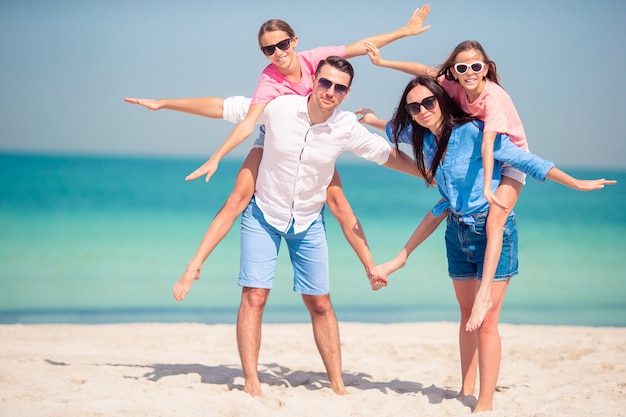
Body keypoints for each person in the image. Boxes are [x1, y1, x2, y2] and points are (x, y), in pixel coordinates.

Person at [124, 5, 432, 302]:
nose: (278, 53)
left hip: (318, 138)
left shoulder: (317, 60)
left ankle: (371, 270)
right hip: (273, 135)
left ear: (294, 41)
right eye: (268, 49)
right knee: (237, 198)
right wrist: (173, 113)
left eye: (282, 44)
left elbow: (362, 46)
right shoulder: (269, 81)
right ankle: (194, 266)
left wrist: (405, 31)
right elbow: (231, 113)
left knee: (338, 202)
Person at [367, 75, 615, 412]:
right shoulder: (419, 135)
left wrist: (575, 183)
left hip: (492, 231)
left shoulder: (473, 132)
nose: (423, 110)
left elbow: (528, 161)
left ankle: (484, 403)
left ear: (442, 100)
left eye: (428, 102)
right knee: (467, 313)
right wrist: (369, 120)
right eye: (414, 106)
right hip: (455, 232)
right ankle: (465, 388)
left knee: (486, 321)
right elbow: (393, 127)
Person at [220, 57, 419, 396]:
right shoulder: (280, 108)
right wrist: (165, 105)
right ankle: (252, 381)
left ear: (347, 93)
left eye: (339, 87)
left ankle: (338, 384)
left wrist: (429, 176)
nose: (330, 91)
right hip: (264, 213)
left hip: (309, 220)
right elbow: (229, 108)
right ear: (313, 81)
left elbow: (387, 156)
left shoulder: (346, 128)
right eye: (325, 83)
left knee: (321, 303)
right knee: (254, 295)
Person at [363, 39, 531, 332]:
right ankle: (403, 261)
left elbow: (491, 144)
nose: (468, 72)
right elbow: (418, 81)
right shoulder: (450, 88)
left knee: (494, 222)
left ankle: (484, 295)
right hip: (466, 178)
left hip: (511, 163)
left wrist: (572, 181)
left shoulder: (491, 99)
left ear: (486, 69)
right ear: (453, 70)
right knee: (449, 200)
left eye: (475, 67)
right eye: (461, 67)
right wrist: (373, 110)